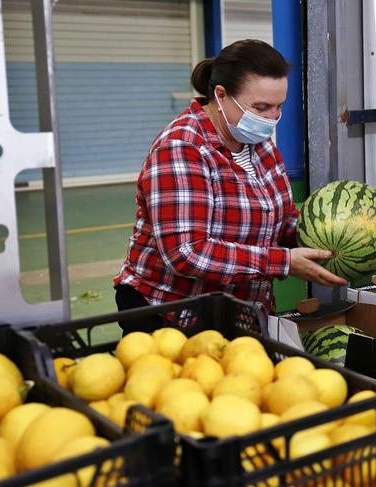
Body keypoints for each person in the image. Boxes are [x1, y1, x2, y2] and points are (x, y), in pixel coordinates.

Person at [113, 40, 346, 331]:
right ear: (221, 95)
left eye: (278, 106)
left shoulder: (260, 146)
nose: (272, 118)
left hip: (238, 309)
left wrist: (327, 239)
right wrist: (283, 262)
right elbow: (187, 252)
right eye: (260, 107)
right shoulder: (182, 148)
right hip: (170, 311)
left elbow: (281, 219)